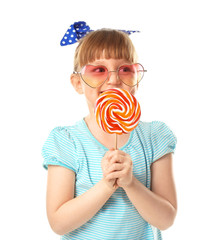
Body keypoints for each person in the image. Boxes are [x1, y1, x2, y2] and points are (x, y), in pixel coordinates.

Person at [42, 21, 177, 240]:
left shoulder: (154, 137)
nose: (113, 79)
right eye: (98, 70)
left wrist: (131, 183)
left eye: (125, 69)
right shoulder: (66, 141)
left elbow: (166, 219)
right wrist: (106, 185)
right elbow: (58, 223)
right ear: (77, 83)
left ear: (136, 80)